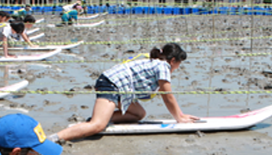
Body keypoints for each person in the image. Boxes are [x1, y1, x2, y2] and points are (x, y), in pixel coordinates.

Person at [51, 43, 198, 143]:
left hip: (121, 88)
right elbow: (168, 96)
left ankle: (96, 119)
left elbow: (166, 95)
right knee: (98, 126)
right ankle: (54, 138)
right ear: (173, 61)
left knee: (139, 114)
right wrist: (179, 118)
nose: (178, 67)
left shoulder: (156, 62)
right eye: (179, 63)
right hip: (112, 84)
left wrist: (181, 115)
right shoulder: (163, 66)